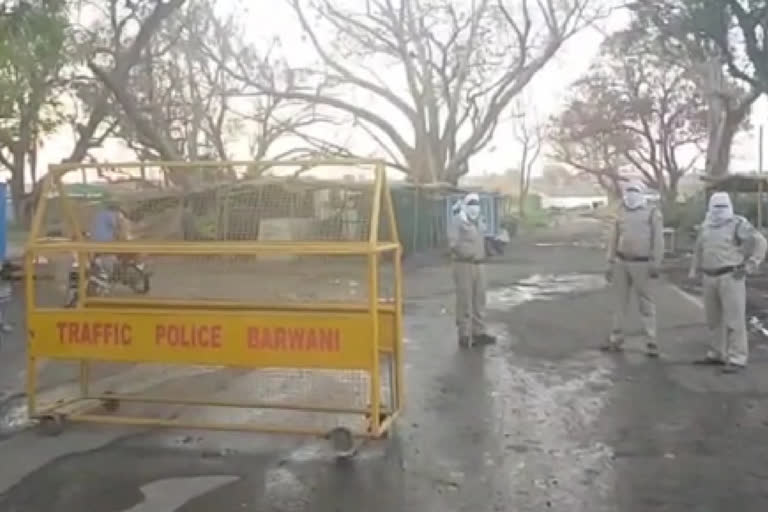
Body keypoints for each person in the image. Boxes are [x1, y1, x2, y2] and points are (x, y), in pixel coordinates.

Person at [688, 191, 767, 373]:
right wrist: (694, 269)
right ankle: (717, 353)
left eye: (723, 206)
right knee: (713, 320)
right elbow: (699, 248)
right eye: (716, 206)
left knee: (734, 320)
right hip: (709, 276)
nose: (719, 210)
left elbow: (760, 243)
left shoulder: (738, 224)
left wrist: (751, 265)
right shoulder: (706, 225)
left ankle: (737, 358)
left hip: (731, 276)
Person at [604, 180, 664, 356]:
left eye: (634, 191)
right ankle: (616, 339)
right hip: (622, 262)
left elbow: (658, 239)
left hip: (643, 263)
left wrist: (656, 262)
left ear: (642, 193)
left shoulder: (652, 212)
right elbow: (613, 239)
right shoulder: (620, 212)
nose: (631, 194)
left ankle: (651, 341)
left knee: (645, 303)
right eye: (628, 191)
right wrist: (609, 262)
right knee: (620, 303)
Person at [448, 193, 496, 348]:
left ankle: (479, 333)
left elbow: (483, 237)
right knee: (465, 300)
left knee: (479, 299)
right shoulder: (457, 222)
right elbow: (453, 243)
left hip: (479, 264)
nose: (475, 207)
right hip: (464, 265)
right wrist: (467, 253)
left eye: (477, 204)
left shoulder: (479, 221)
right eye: (471, 204)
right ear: (465, 206)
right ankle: (464, 334)